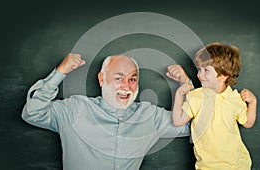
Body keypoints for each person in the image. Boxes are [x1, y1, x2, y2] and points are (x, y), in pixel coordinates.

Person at [22, 53, 191, 170]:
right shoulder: (74, 110)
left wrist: (186, 85)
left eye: (132, 79)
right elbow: (33, 112)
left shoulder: (151, 116)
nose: (126, 86)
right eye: (118, 78)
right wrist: (59, 73)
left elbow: (197, 126)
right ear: (101, 79)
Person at [172, 42, 257, 169]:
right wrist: (179, 95)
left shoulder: (234, 98)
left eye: (206, 70)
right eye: (199, 69)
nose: (199, 75)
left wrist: (253, 102)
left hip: (237, 165)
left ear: (224, 75)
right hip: (207, 166)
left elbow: (248, 123)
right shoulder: (196, 97)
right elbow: (178, 121)